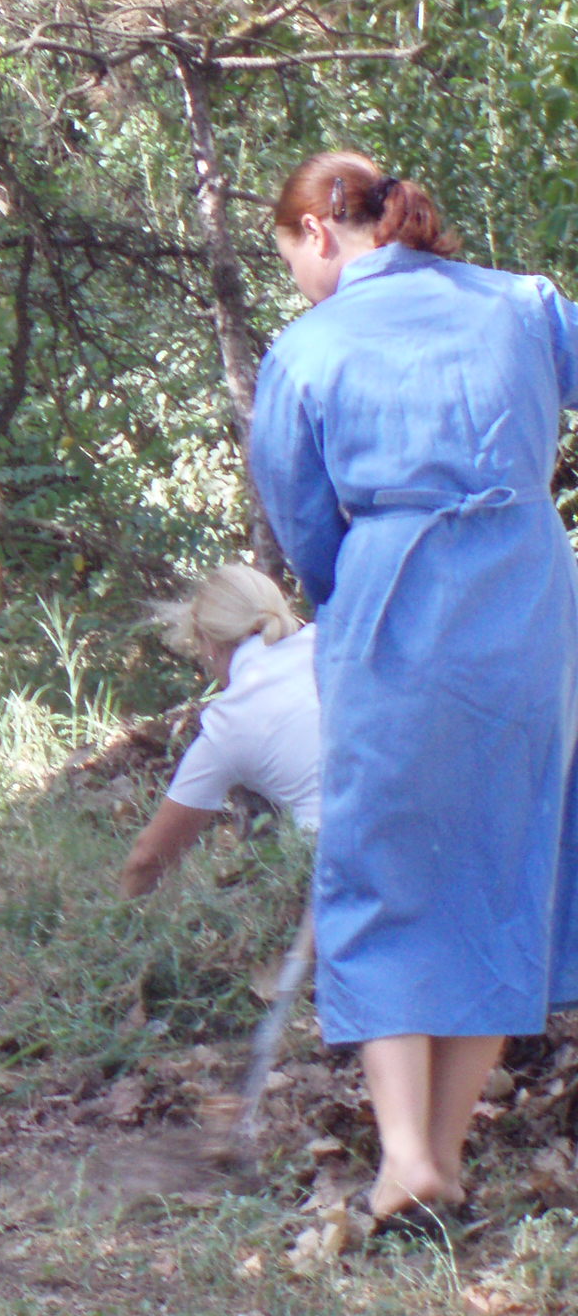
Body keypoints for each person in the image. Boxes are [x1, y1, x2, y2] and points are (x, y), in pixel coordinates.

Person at [249, 150, 578, 1226]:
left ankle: (404, 1157)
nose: (300, 281)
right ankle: (439, 1156)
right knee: (500, 861)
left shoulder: (307, 346)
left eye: (291, 258)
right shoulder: (524, 305)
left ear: (319, 233)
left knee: (379, 865)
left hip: (395, 602)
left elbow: (302, 521)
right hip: (528, 604)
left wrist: (348, 598)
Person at [120, 563, 321, 898]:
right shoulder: (327, 642)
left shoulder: (229, 722)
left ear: (210, 644)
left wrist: (122, 913)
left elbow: (147, 859)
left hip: (342, 863)